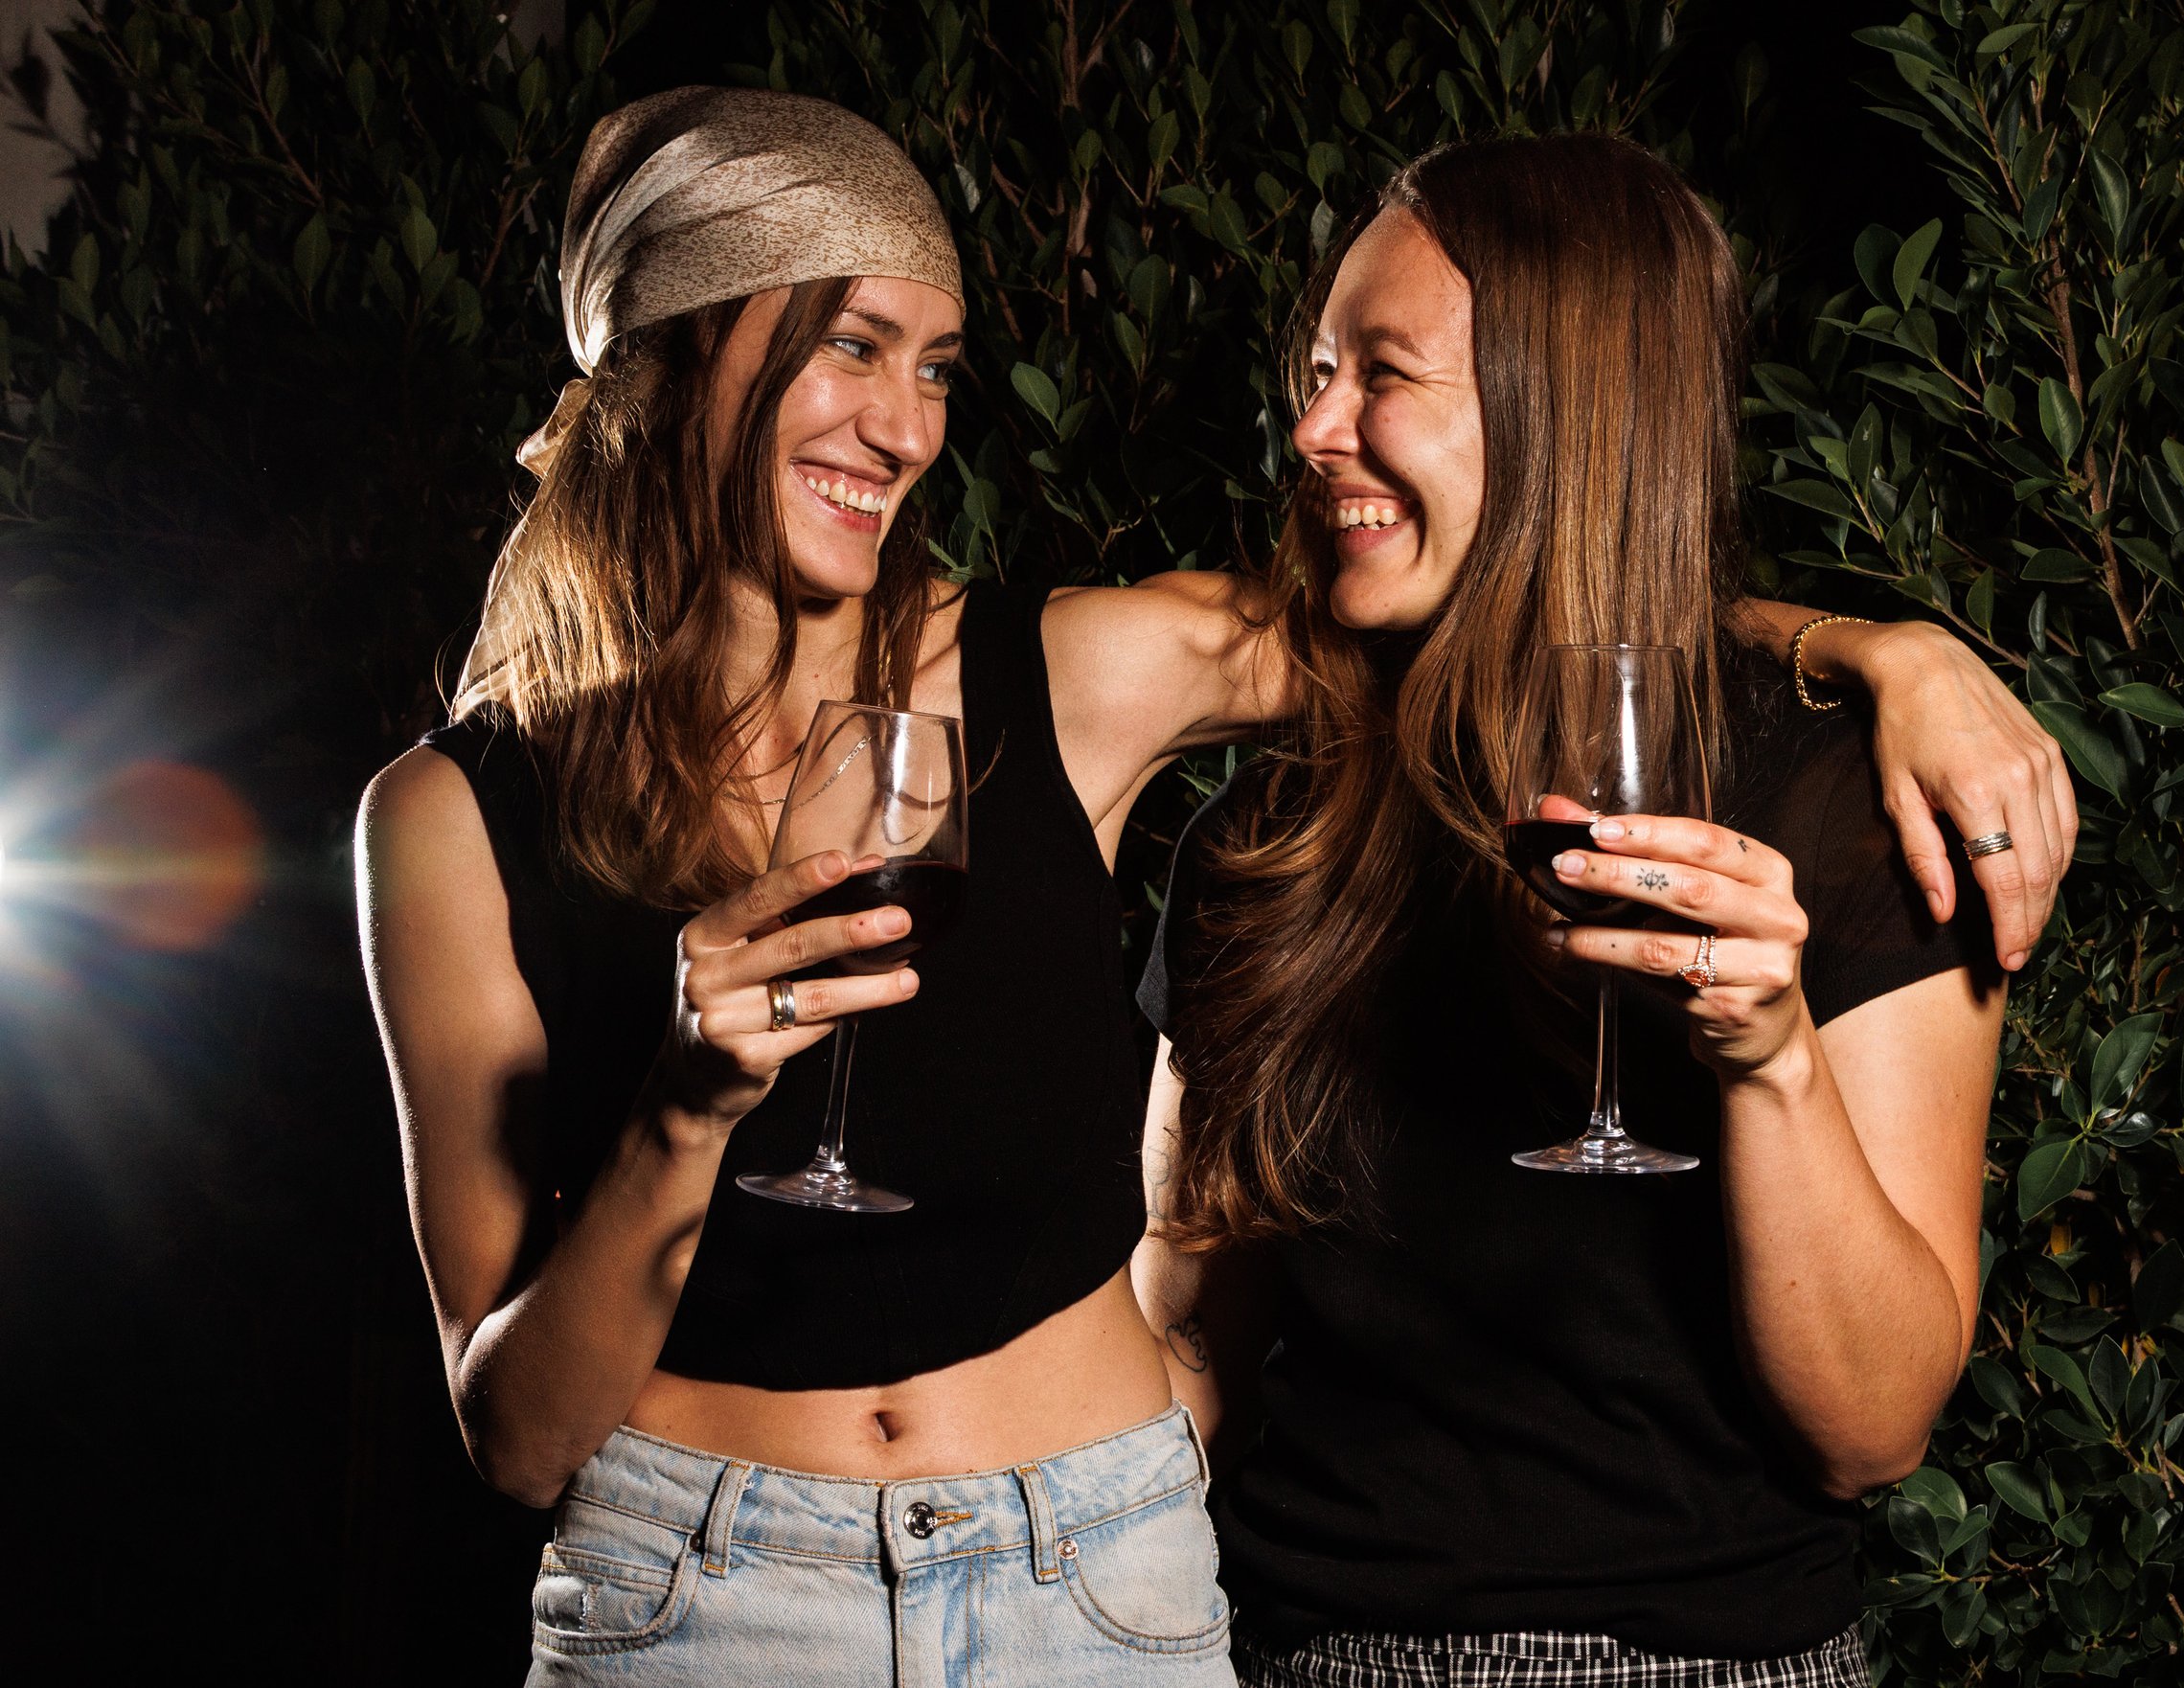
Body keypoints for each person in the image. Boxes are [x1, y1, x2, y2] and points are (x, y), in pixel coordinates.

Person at [355, 90, 2061, 1684]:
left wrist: (1876, 649)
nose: (906, 423)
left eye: (939, 364)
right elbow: (512, 1436)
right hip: (702, 1591)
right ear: (663, 361)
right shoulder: (446, 818)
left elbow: (1527, 576)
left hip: (1096, 1577)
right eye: (850, 346)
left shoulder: (1070, 674)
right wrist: (682, 1110)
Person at [1135, 132, 2019, 1688]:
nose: (1314, 424)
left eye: (1382, 374)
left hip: (1707, 1664)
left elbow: (1872, 1430)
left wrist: (1770, 1061)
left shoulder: (1849, 806)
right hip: (1306, 1652)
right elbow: (1187, 1339)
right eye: (1317, 366)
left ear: (1569, 418)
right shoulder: (1273, 824)